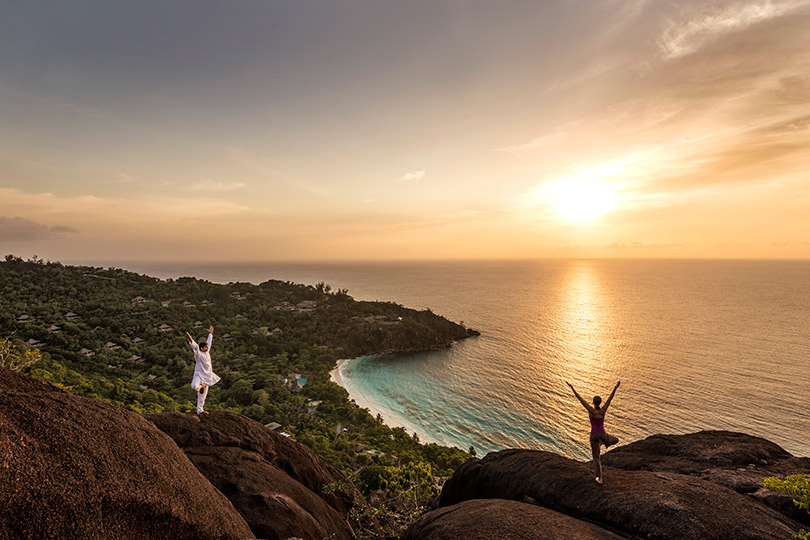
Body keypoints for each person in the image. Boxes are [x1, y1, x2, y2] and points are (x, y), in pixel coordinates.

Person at [566, 380, 621, 484]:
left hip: (594, 436)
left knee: (596, 457)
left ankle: (599, 478)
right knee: (616, 440)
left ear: (593, 402)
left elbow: (580, 399)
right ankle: (604, 443)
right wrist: (615, 387)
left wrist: (572, 388)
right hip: (603, 434)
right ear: (600, 402)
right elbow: (610, 398)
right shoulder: (603, 410)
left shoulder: (591, 410)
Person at [186, 325, 220, 415]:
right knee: (194, 386)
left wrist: (210, 334)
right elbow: (195, 347)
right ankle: (201, 387)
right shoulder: (199, 355)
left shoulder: (207, 352)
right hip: (199, 375)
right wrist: (190, 339)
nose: (207, 348)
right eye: (205, 347)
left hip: (207, 376)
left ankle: (200, 410)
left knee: (202, 397)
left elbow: (209, 342)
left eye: (207, 347)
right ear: (201, 348)